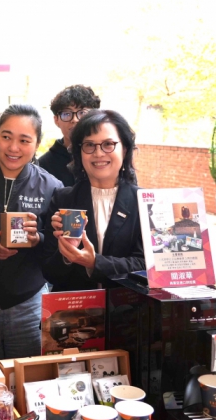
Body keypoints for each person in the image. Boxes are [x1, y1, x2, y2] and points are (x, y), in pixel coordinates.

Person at [0, 104, 63, 360]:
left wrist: (38, 238)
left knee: (27, 375)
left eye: (24, 140)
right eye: (6, 136)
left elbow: (57, 249)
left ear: (37, 144)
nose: (13, 147)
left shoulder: (51, 186)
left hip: (28, 304)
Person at [42, 109, 145, 291]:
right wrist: (66, 254)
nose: (98, 153)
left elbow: (146, 266)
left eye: (108, 144)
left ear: (125, 149)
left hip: (127, 306)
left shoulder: (143, 202)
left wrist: (95, 263)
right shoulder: (63, 199)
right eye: (89, 145)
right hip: (76, 306)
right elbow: (50, 272)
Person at [38, 85, 101, 187]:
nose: (75, 119)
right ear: (56, 120)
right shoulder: (43, 166)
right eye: (67, 114)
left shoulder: (103, 156)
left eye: (82, 113)